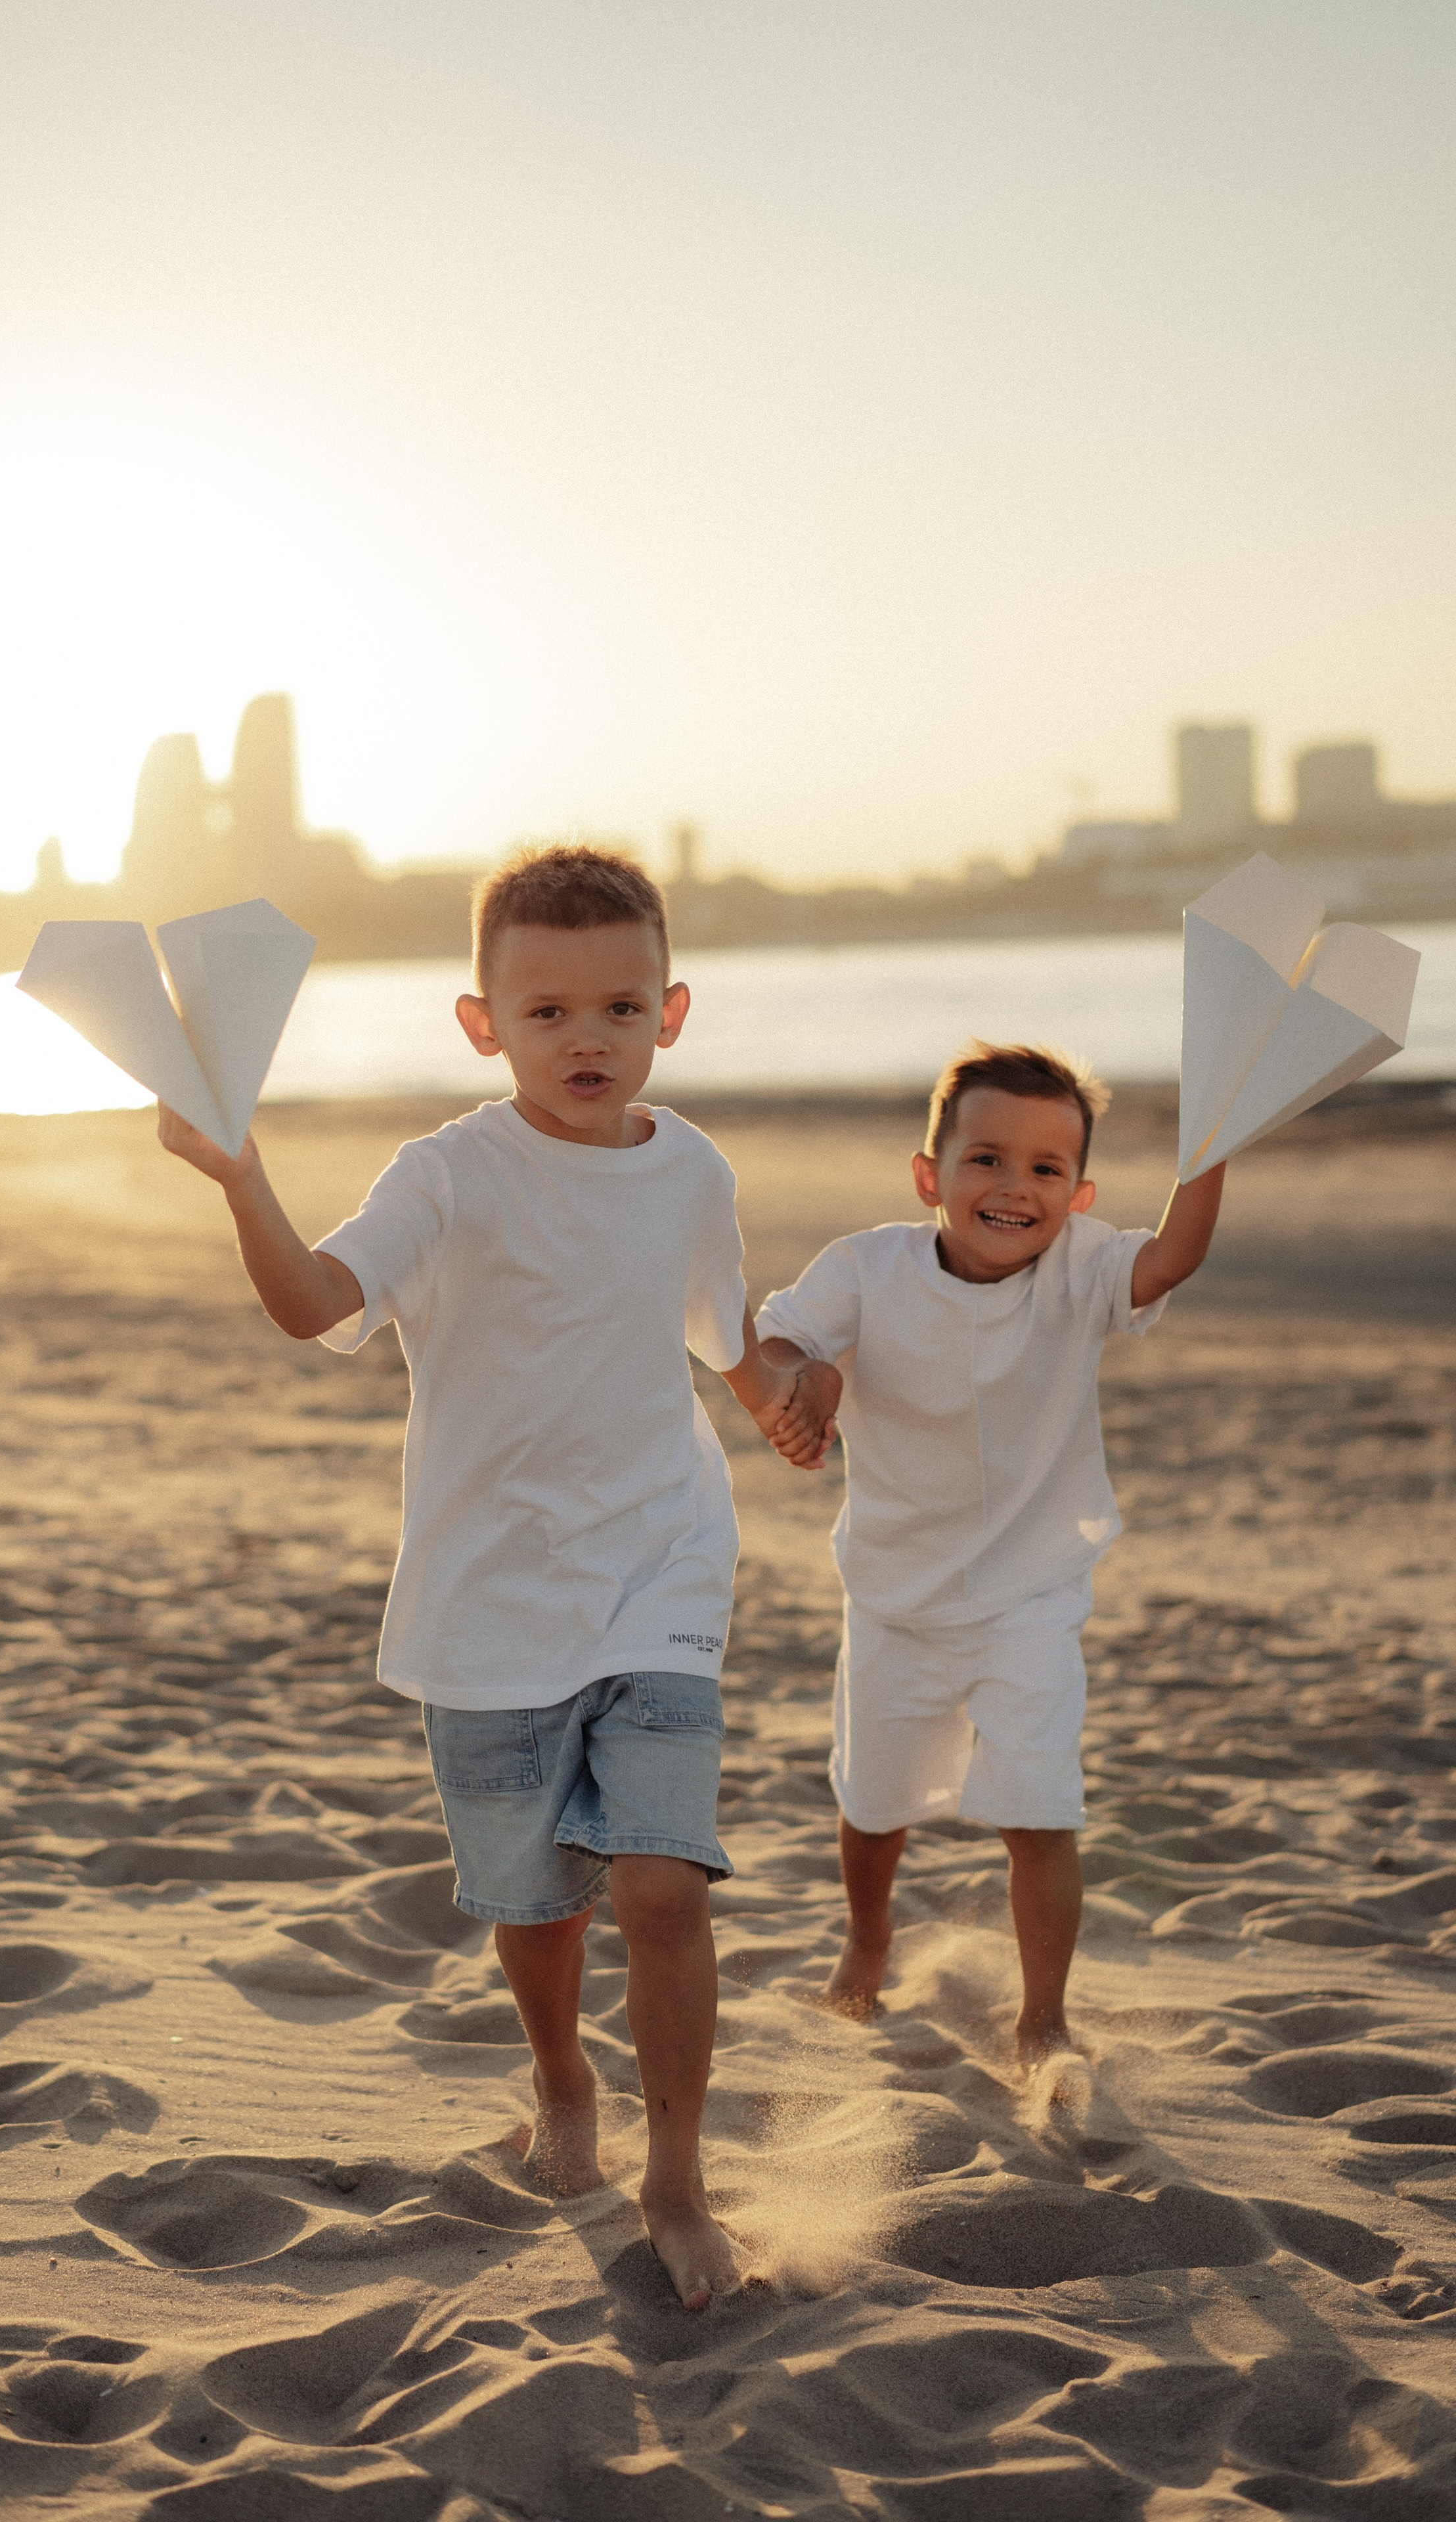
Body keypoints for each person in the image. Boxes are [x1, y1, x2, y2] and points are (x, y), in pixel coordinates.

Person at [158, 843, 814, 2309]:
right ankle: (560, 2078)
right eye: (546, 1013)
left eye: (620, 1008)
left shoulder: (692, 1169)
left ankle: (677, 2178)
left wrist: (785, 1389)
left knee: (661, 1888)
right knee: (539, 1912)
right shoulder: (444, 1177)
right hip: (489, 1600)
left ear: (672, 1011)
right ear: (482, 1023)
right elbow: (315, 1305)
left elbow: (725, 1332)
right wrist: (240, 1175)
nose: (587, 1039)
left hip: (660, 1566)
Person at [757, 1042, 1225, 2069]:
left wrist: (1218, 1139)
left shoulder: (1086, 1267)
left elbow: (1174, 1256)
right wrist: (812, 1384)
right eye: (986, 1160)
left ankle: (1043, 2014)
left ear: (1080, 1194)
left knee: (1039, 1811)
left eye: (1046, 1171)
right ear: (930, 1175)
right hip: (893, 1593)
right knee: (874, 1806)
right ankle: (867, 1946)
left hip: (1032, 1594)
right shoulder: (866, 1270)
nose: (1016, 1188)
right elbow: (784, 1341)